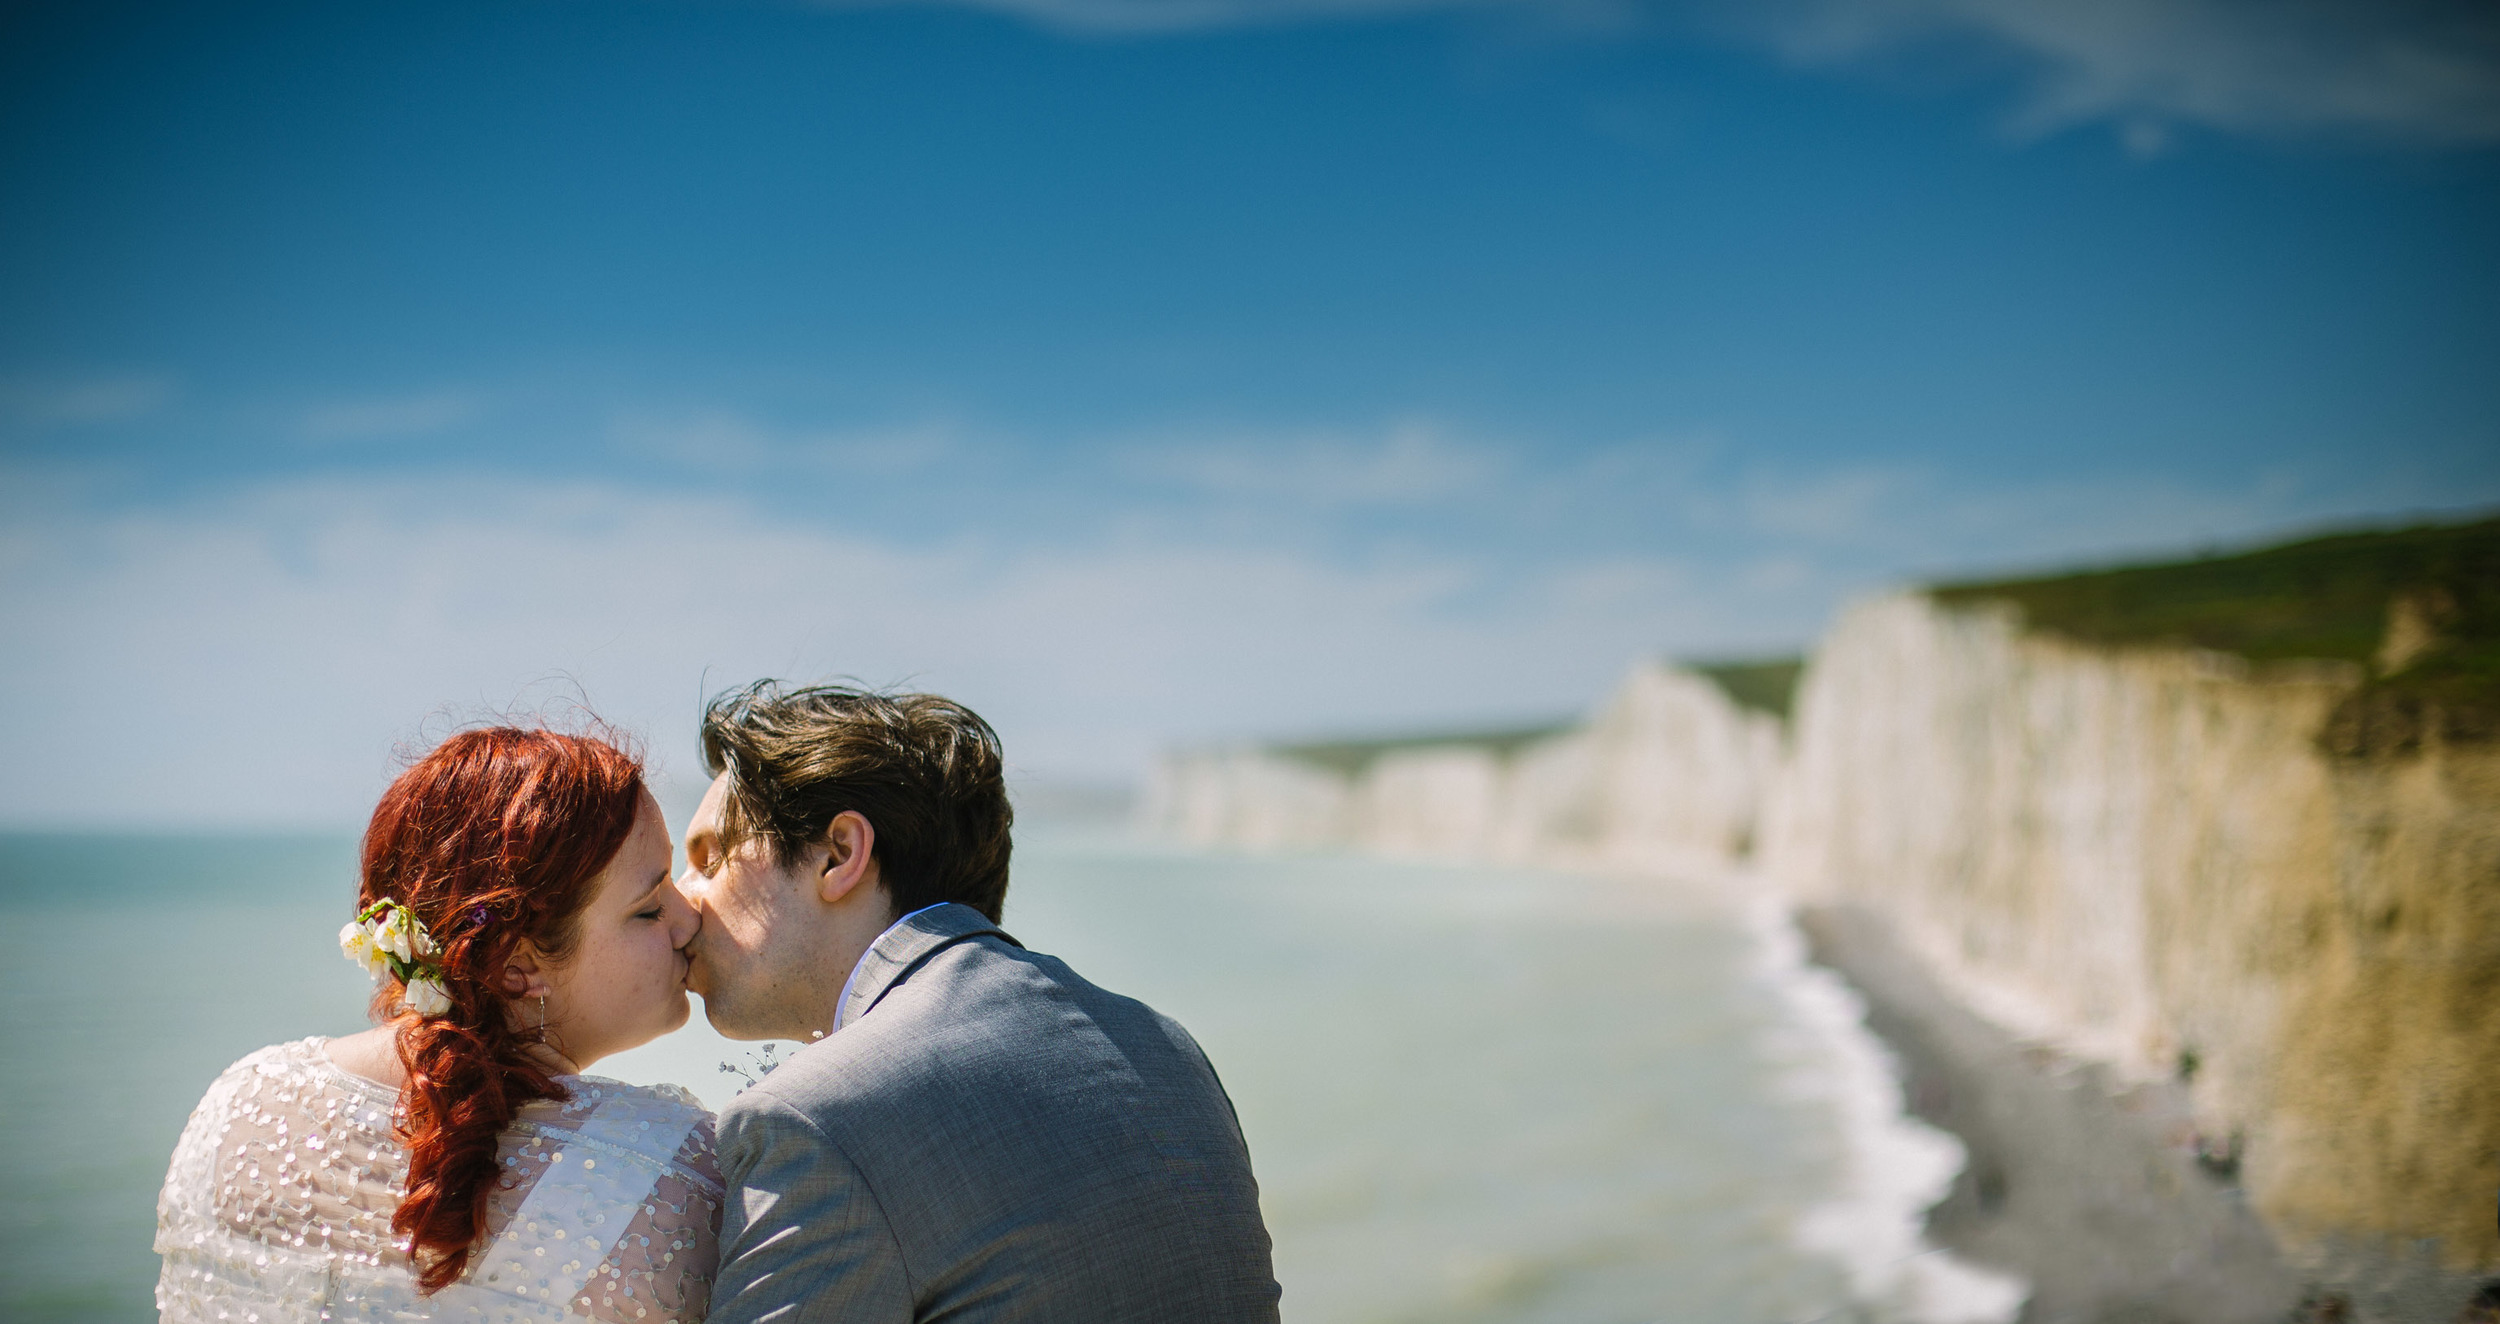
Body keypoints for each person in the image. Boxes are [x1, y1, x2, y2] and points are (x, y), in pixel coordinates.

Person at [680, 682, 1282, 1323]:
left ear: (838, 854)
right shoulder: (1169, 1051)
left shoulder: (813, 1119)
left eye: (710, 860)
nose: (682, 900)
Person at [154, 727, 723, 1324]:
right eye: (651, 908)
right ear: (517, 969)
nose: (691, 918)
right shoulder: (670, 1176)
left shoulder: (237, 1106)